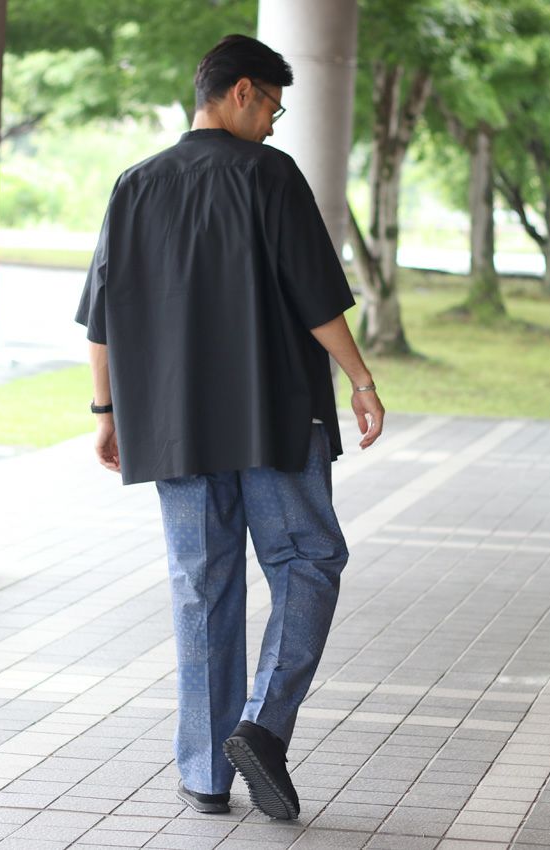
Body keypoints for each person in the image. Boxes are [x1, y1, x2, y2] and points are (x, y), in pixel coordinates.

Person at [75, 33, 384, 820]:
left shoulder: (135, 184)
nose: (274, 124)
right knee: (309, 561)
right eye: (273, 106)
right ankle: (263, 727)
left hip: (175, 425)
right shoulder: (269, 175)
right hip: (276, 416)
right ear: (242, 91)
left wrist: (106, 412)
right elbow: (317, 298)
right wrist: (361, 379)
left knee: (202, 587)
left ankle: (207, 776)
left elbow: (102, 315)